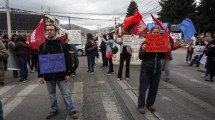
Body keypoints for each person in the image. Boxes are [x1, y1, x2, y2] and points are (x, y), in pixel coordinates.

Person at [38, 24, 79, 119]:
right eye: (47, 30)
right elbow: (40, 62)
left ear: (55, 32)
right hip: (48, 76)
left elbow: (68, 60)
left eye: (51, 30)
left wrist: (68, 73)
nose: (49, 31)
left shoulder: (63, 45)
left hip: (61, 75)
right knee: (52, 95)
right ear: (45, 32)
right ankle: (54, 110)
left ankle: (71, 110)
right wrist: (40, 75)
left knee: (66, 94)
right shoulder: (42, 46)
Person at [137, 26, 166, 114]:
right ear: (151, 33)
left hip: (156, 71)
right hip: (146, 70)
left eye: (158, 32)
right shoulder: (145, 42)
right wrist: (143, 50)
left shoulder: (161, 42)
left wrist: (165, 50)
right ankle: (141, 105)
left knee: (154, 89)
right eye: (155, 32)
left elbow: (162, 57)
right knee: (143, 89)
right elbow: (141, 57)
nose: (156, 34)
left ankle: (150, 104)